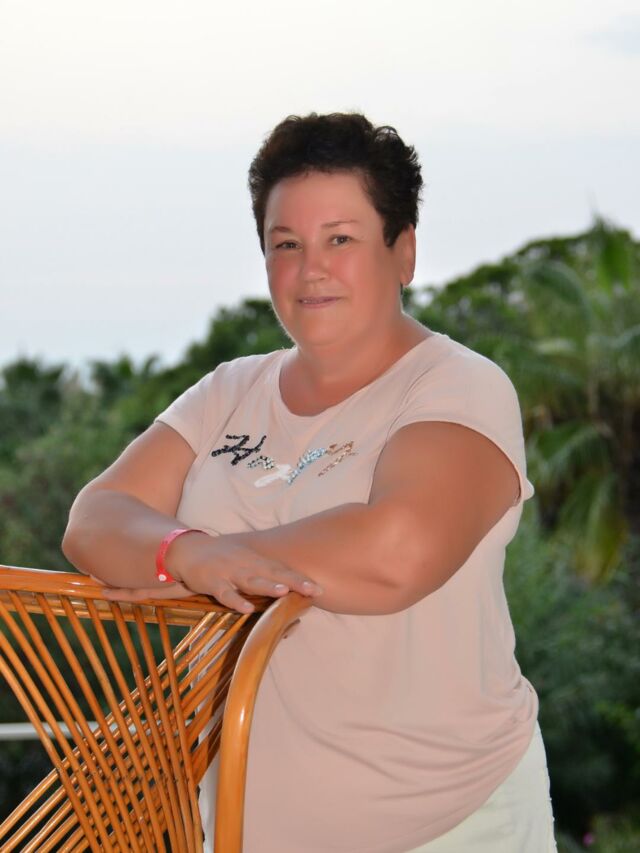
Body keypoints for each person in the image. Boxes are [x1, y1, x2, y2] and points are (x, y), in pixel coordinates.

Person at [62, 112, 557, 852]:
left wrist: (192, 559)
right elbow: (97, 517)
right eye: (285, 244)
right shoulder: (229, 390)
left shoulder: (457, 386)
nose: (310, 268)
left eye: (340, 239)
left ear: (404, 250)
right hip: (242, 828)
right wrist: (190, 553)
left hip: (447, 824)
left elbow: (396, 552)